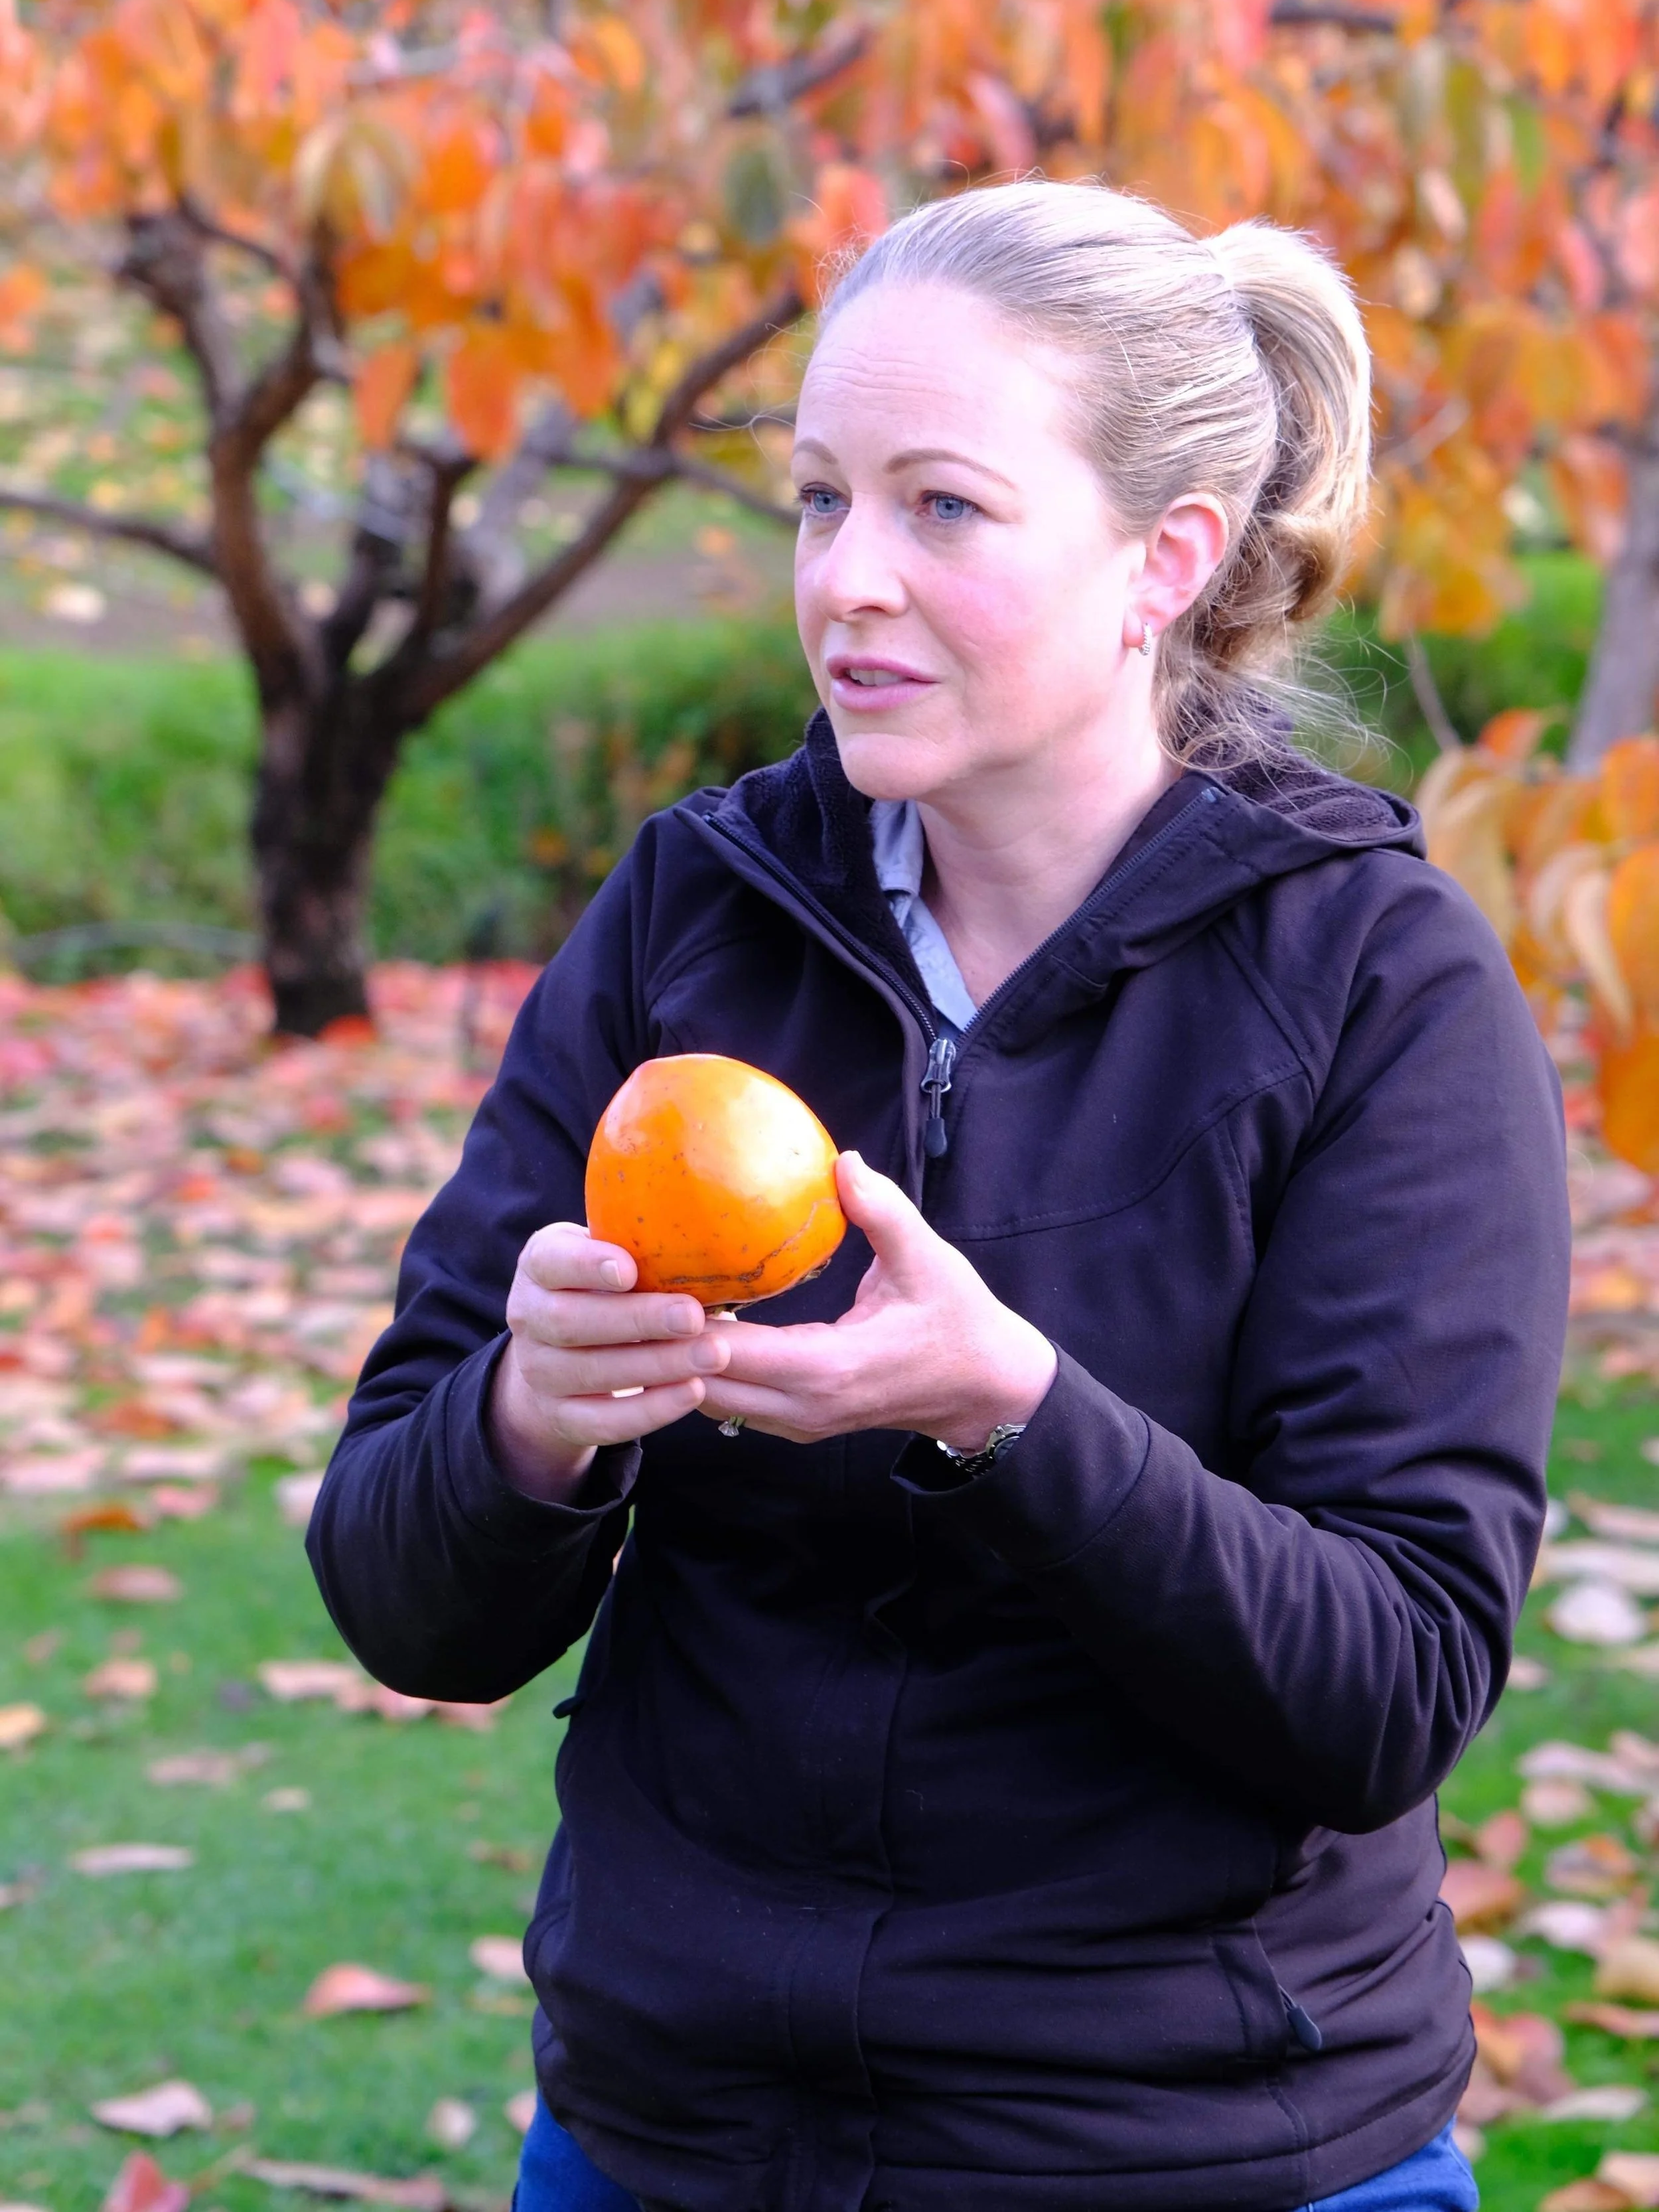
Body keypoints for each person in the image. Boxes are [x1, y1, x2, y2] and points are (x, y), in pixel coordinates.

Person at [307, 181, 1569, 2212]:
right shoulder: (692, 922)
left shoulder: (1375, 986)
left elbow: (1389, 1681)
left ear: (1161, 558)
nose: (847, 583)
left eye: (941, 507)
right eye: (819, 500)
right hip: (678, 2138)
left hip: (1195, 2145)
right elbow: (396, 1592)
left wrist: (1014, 1410)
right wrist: (528, 1418)